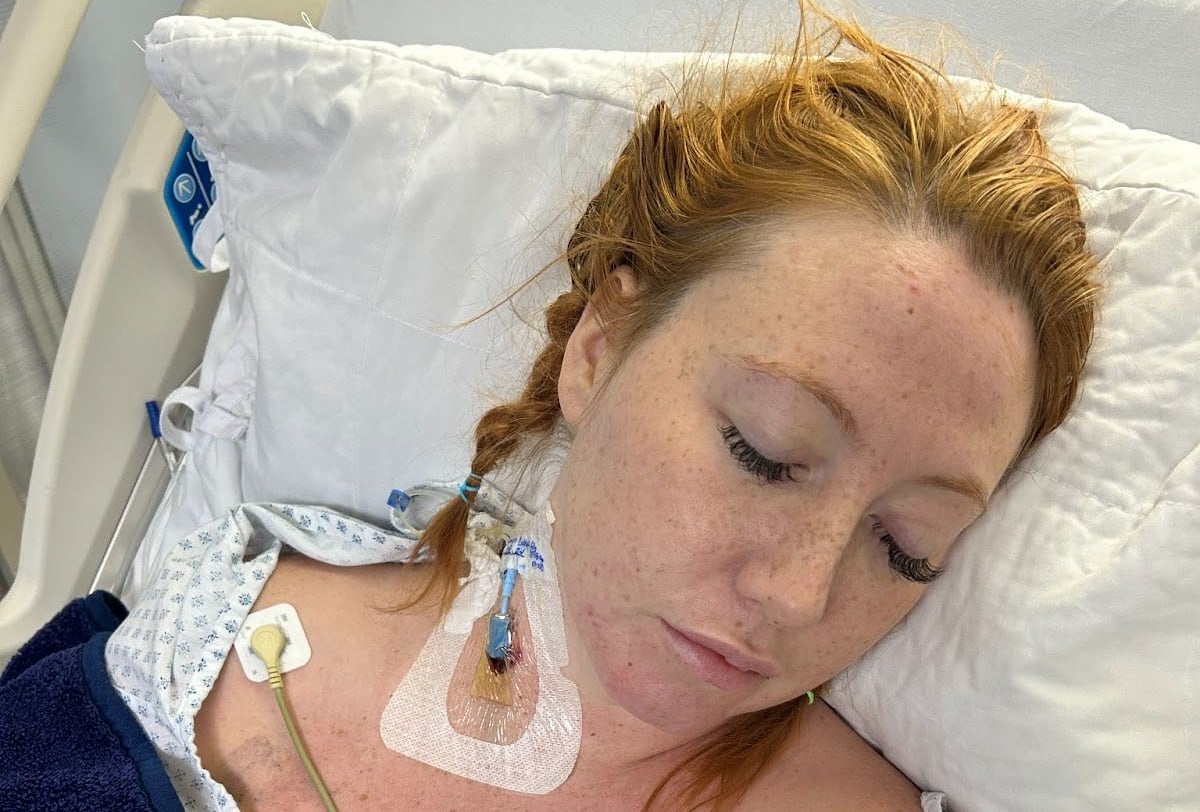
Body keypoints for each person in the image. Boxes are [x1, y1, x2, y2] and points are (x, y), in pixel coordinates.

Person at [2, 4, 1100, 811]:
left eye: (908, 547)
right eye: (763, 452)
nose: (799, 596)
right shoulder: (221, 615)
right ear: (600, 347)